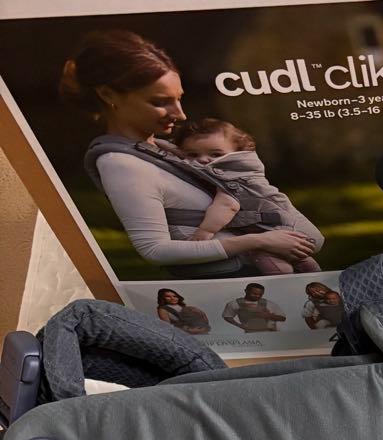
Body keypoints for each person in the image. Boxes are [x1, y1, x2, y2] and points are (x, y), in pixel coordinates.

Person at [59, 30, 321, 276]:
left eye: (178, 99)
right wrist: (259, 241)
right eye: (160, 102)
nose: (181, 114)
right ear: (108, 94)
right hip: (234, 285)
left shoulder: (164, 151)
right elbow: (155, 250)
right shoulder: (121, 164)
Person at [173, 118, 322, 275]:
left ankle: (281, 280)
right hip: (293, 228)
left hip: (283, 232)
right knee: (301, 261)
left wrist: (204, 232)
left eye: (216, 154)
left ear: (237, 153)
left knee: (262, 255)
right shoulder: (245, 169)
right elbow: (178, 155)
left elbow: (227, 206)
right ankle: (311, 273)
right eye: (193, 154)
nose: (203, 160)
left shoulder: (232, 178)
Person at [222, 283, 286, 333]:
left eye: (260, 294)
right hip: (251, 333)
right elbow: (227, 316)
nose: (258, 296)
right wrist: (240, 326)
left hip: (271, 333)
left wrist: (268, 315)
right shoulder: (234, 303)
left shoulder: (268, 303)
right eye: (254, 294)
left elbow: (283, 318)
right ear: (246, 291)